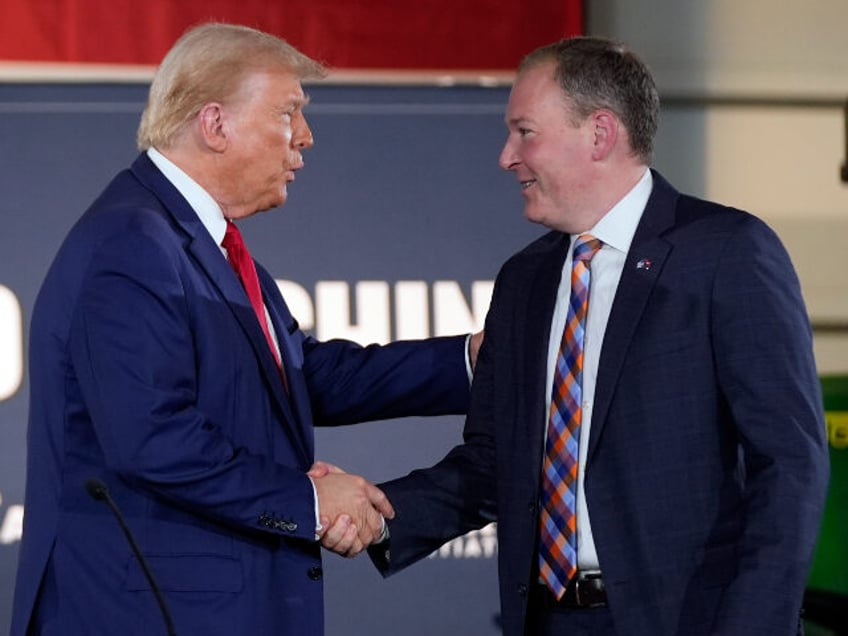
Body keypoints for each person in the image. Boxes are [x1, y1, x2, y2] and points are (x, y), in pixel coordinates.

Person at [348, 36, 830, 636]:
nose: (506, 156)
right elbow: (495, 462)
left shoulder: (726, 251)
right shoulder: (525, 279)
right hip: (547, 621)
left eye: (525, 132)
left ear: (599, 134)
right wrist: (379, 514)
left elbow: (789, 463)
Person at [10, 22, 477, 636]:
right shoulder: (133, 243)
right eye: (289, 113)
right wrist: (308, 503)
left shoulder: (199, 241)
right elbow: (153, 439)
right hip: (146, 611)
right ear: (215, 124)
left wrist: (471, 358)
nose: (305, 138)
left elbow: (305, 377)